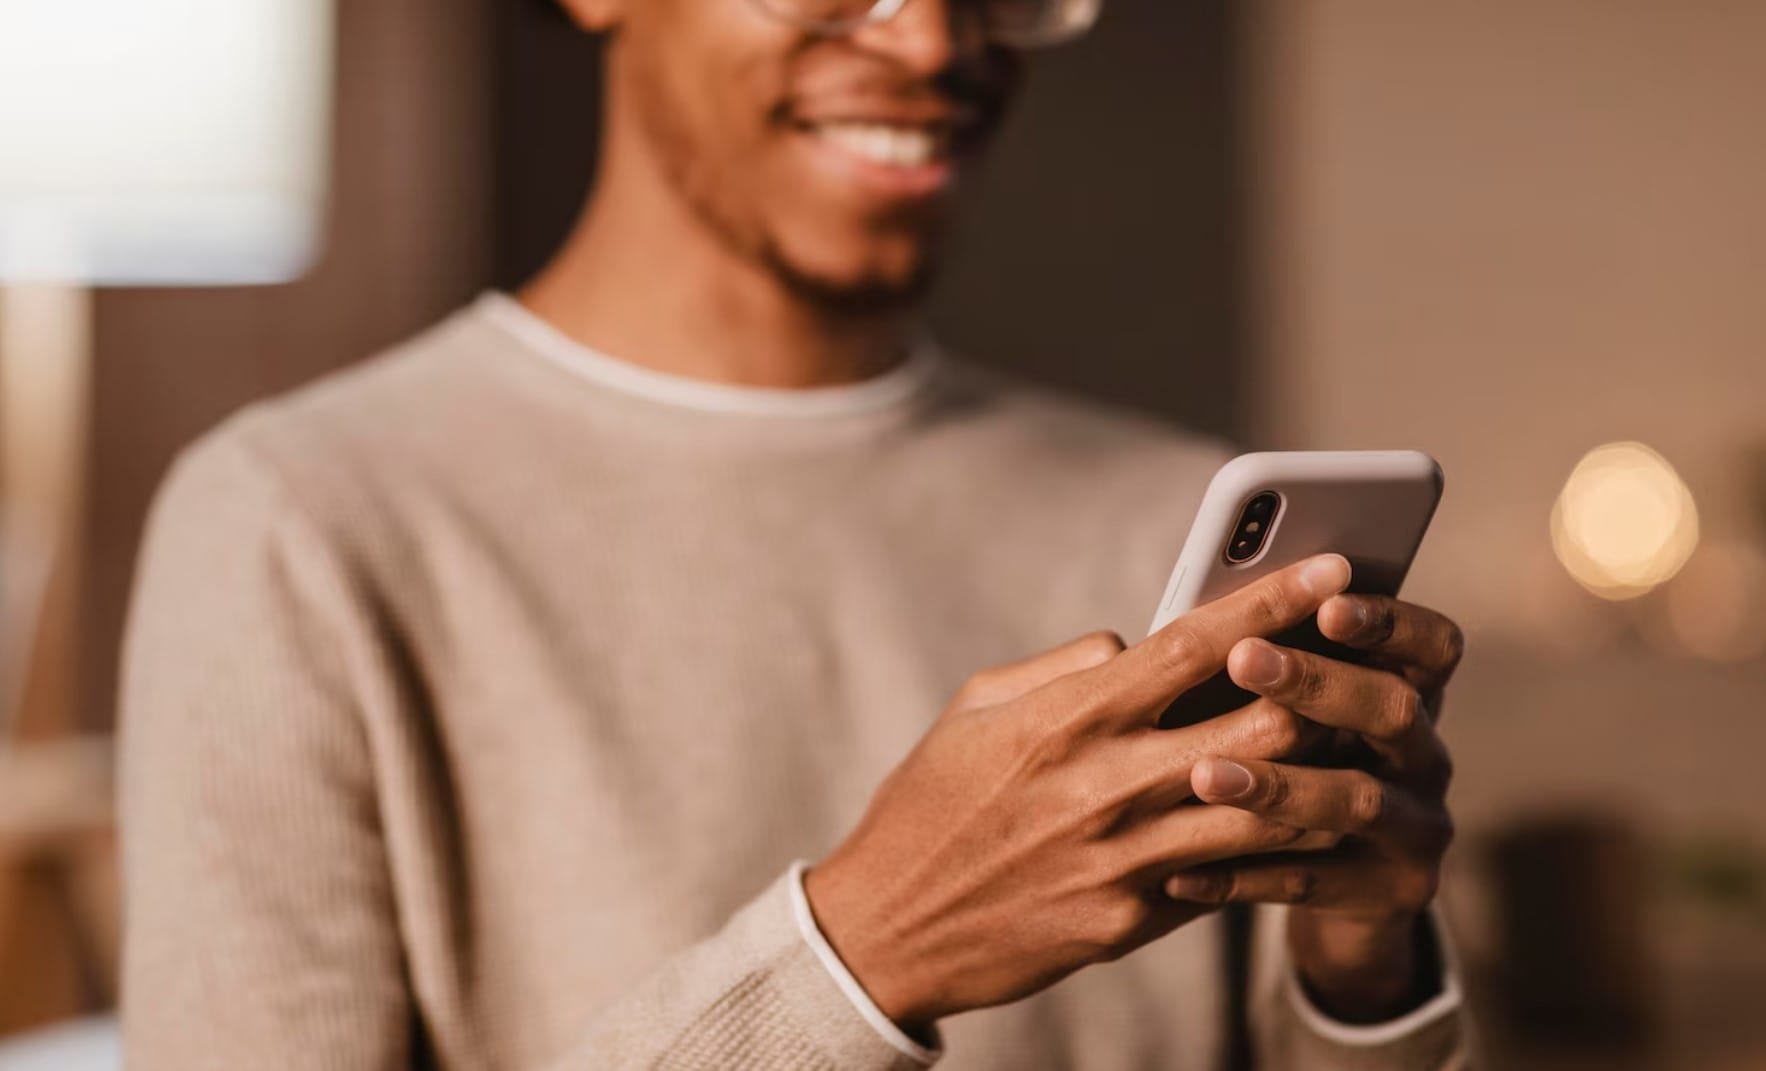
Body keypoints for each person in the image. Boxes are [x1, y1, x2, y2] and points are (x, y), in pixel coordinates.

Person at [119, 0, 1471, 1067]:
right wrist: (861, 959)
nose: (935, 39)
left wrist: (1357, 980)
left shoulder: (1172, 513)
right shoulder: (297, 522)